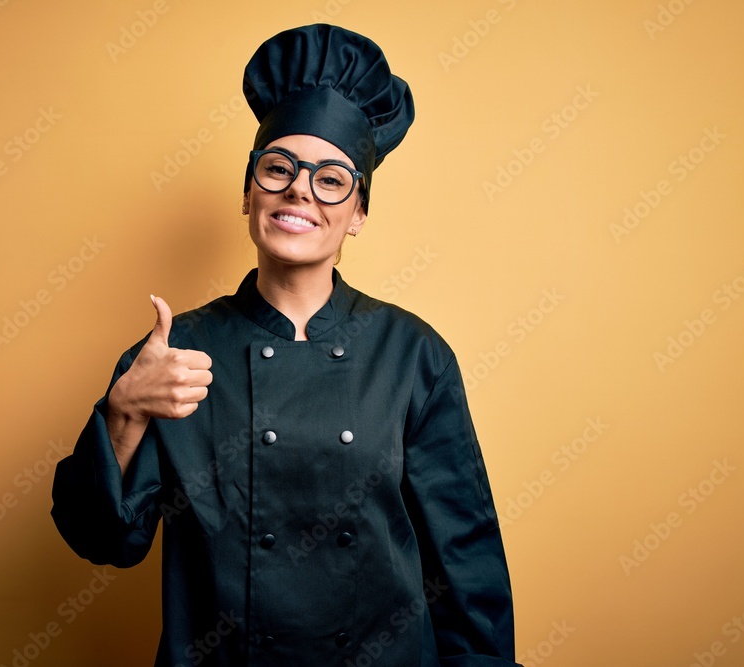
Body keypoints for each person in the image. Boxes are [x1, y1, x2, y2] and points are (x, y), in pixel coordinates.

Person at [51, 23, 521, 666]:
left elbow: (464, 560)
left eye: (331, 179)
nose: (300, 189)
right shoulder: (176, 353)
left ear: (357, 213)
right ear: (249, 191)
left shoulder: (412, 354)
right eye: (278, 169)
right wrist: (123, 412)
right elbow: (100, 539)